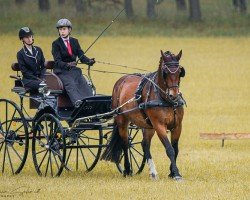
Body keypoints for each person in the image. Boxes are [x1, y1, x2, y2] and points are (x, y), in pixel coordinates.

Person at [51, 18, 95, 107]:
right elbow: (57, 61)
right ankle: (77, 104)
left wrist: (89, 61)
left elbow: (81, 55)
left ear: (69, 30)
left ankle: (90, 102)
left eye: (64, 29)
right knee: (71, 84)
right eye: (60, 29)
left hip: (74, 71)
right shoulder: (56, 44)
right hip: (61, 71)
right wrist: (67, 65)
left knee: (83, 83)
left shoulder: (74, 41)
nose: (62, 32)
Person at [17, 27, 46, 91]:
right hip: (28, 80)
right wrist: (37, 79)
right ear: (22, 39)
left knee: (54, 83)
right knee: (43, 85)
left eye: (30, 36)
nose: (29, 39)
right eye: (26, 37)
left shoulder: (38, 50)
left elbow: (43, 66)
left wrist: (42, 77)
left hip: (40, 78)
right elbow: (25, 72)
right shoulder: (20, 54)